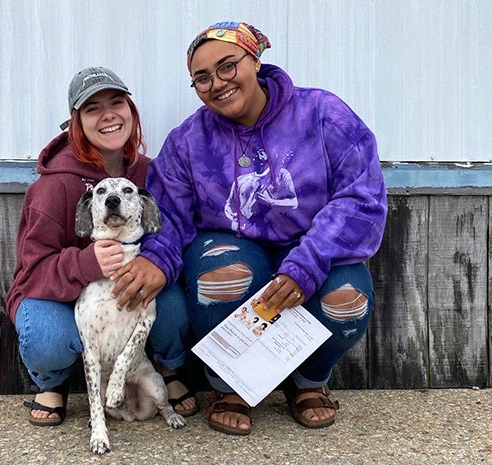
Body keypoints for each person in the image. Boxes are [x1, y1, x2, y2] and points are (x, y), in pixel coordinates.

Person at [112, 22, 387, 435]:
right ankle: (230, 386)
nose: (217, 83)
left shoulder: (323, 114)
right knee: (222, 278)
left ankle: (309, 382)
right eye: (202, 78)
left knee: (347, 301)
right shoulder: (188, 141)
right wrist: (158, 256)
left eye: (227, 67)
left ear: (254, 60)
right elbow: (166, 212)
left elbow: (361, 197)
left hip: (316, 246)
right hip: (232, 244)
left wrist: (306, 264)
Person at [5, 66, 198, 427]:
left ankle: (165, 369)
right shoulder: (55, 186)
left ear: (131, 112)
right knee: (47, 336)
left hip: (127, 293)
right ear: (76, 123)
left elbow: (171, 227)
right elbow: (31, 271)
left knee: (171, 303)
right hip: (60, 297)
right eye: (93, 109)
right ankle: (53, 382)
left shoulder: (148, 174)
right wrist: (85, 263)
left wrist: (157, 263)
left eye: (117, 103)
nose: (108, 115)